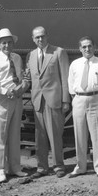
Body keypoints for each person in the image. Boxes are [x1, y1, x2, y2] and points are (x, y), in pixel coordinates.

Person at [0, 28, 29, 183]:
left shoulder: (17, 58)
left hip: (16, 99)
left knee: (15, 134)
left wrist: (21, 88)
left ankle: (15, 167)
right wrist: (4, 91)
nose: (7, 45)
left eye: (9, 42)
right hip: (1, 100)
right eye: (4, 43)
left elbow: (20, 76)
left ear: (13, 43)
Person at [25, 26, 70, 179]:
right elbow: (29, 78)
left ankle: (58, 166)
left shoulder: (59, 52)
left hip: (54, 100)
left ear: (47, 36)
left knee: (55, 135)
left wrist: (65, 101)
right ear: (33, 39)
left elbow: (65, 78)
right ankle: (42, 167)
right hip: (38, 101)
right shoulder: (31, 55)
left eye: (42, 36)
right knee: (40, 137)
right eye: (37, 37)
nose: (40, 39)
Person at [67, 36, 98, 178]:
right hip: (79, 99)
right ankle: (81, 166)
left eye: (90, 46)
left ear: (94, 47)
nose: (87, 49)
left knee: (97, 134)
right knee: (79, 134)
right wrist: (77, 98)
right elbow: (71, 83)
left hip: (97, 98)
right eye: (84, 47)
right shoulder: (74, 64)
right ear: (80, 49)